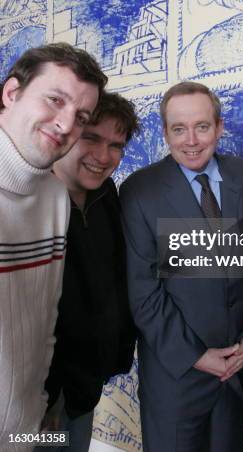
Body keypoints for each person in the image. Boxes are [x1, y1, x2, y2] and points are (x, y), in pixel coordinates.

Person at [120, 81, 243, 452]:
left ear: (219, 127)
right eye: (178, 129)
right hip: (176, 375)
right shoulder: (139, 191)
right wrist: (197, 356)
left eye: (202, 126)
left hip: (239, 368)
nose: (191, 140)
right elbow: (144, 292)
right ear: (165, 132)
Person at [0, 43, 107, 452]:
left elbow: (45, 317)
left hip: (24, 429)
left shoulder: (54, 195)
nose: (66, 125)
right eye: (54, 100)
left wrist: (38, 407)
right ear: (11, 93)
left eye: (80, 116)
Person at [39, 92, 140, 452]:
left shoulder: (106, 194)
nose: (103, 157)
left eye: (116, 145)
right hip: (36, 401)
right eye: (92, 138)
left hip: (83, 389)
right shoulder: (24, 200)